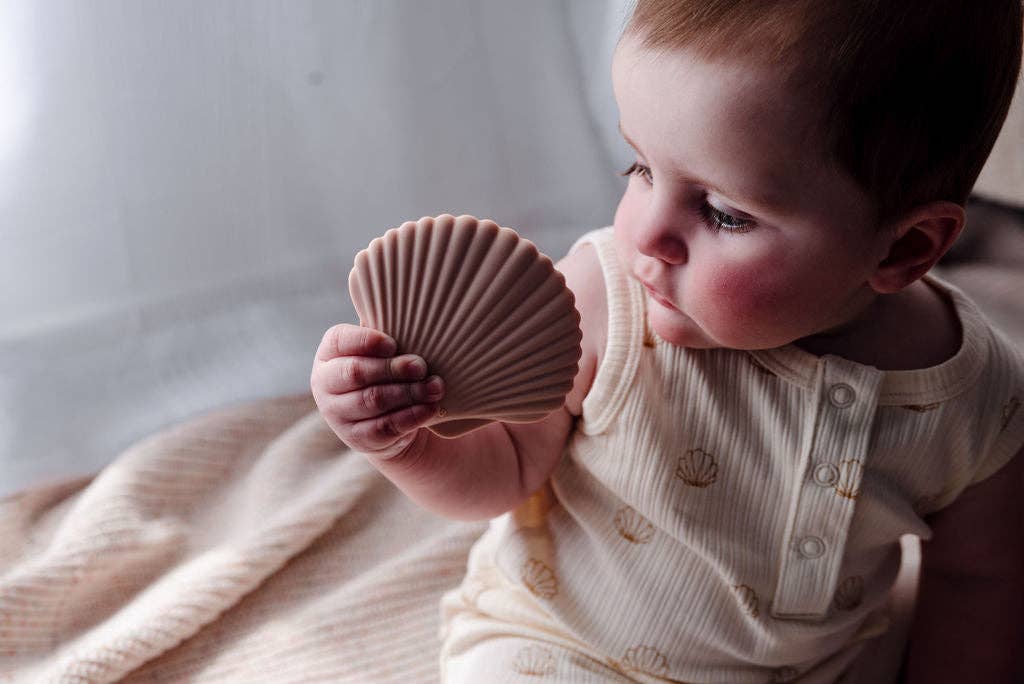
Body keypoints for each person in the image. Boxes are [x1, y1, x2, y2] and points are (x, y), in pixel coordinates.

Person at [310, 0, 1024, 681]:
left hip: (821, 668)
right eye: (641, 169)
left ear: (905, 248)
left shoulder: (977, 399)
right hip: (568, 647)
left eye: (723, 213)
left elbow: (978, 579)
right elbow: (507, 471)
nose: (645, 232)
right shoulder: (603, 302)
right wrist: (406, 444)